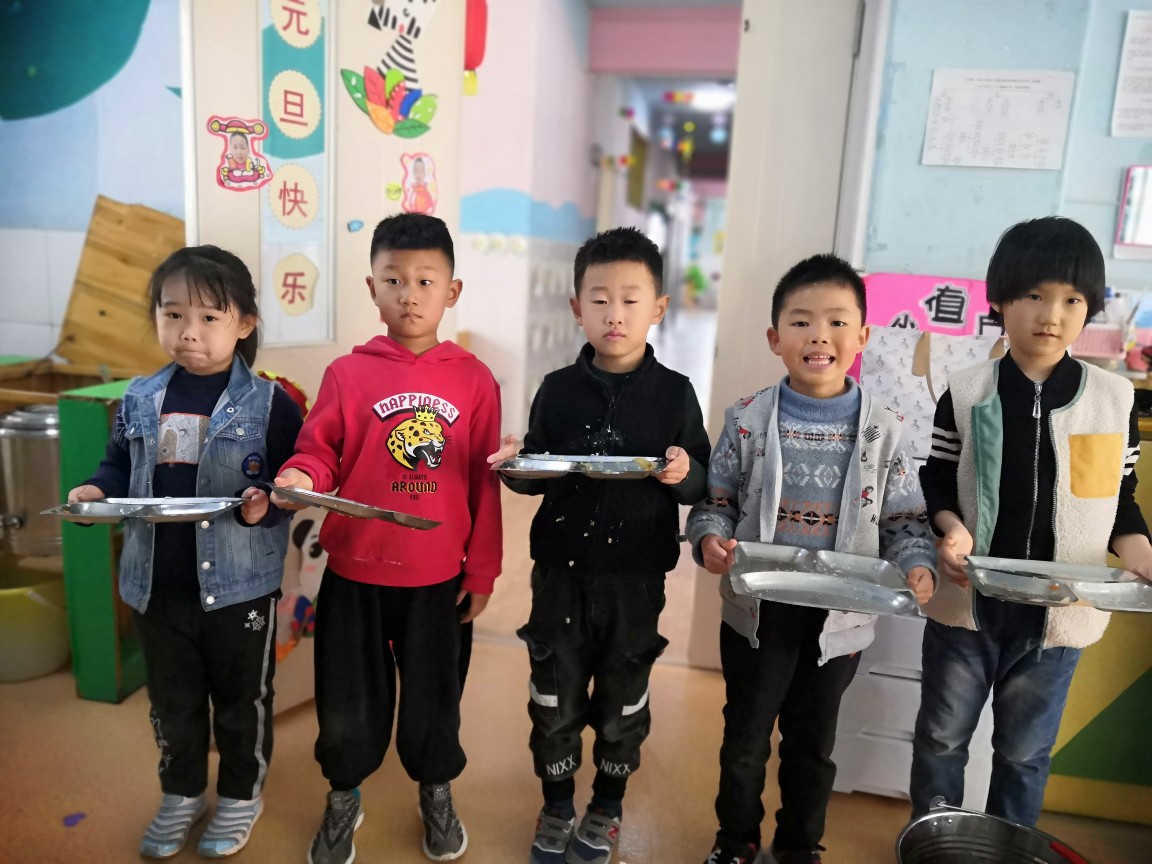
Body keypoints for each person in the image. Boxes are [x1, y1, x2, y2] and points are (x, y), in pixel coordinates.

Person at [686, 253, 937, 864]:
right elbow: (716, 502)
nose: (819, 336)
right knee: (745, 737)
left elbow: (904, 519)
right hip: (757, 613)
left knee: (812, 743)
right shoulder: (747, 418)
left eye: (836, 322)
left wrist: (917, 562)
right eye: (800, 322)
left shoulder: (885, 429)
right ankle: (736, 840)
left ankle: (799, 845)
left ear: (862, 337)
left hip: (839, 619)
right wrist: (709, 538)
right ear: (775, 339)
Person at [273, 213, 502, 864]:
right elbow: (320, 452)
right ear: (371, 288)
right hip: (355, 574)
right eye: (393, 280)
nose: (409, 294)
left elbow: (484, 483)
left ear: (451, 292)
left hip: (439, 580)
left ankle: (436, 790)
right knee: (348, 700)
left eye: (425, 281)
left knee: (435, 701)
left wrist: (482, 572)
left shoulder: (475, 379)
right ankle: (343, 794)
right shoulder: (348, 374)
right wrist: (300, 474)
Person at [910, 216, 1152, 827]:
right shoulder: (966, 390)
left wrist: (1142, 552)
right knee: (941, 740)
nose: (1052, 315)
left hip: (1058, 617)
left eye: (1072, 300)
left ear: (1090, 308)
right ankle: (933, 843)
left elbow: (1119, 501)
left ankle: (1007, 847)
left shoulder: (1113, 400)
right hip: (967, 609)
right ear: (1000, 300)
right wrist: (950, 527)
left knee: (1023, 756)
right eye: (1035, 296)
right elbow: (937, 479)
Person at [68, 245, 303, 859]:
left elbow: (293, 485)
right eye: (172, 314)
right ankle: (182, 794)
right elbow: (117, 466)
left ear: (244, 323)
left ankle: (241, 795)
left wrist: (271, 501)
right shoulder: (139, 398)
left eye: (208, 317)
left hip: (239, 589)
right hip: (156, 585)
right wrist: (95, 492)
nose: (188, 332)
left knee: (242, 702)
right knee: (172, 703)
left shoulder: (273, 403)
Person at [488, 226, 712, 864]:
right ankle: (557, 803)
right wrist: (514, 465)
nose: (615, 314)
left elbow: (700, 479)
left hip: (636, 577)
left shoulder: (675, 393)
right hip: (559, 573)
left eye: (631, 300)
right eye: (600, 299)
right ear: (576, 307)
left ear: (658, 308)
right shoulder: (558, 389)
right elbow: (538, 471)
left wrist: (681, 472)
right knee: (553, 694)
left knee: (623, 694)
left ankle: (607, 804)